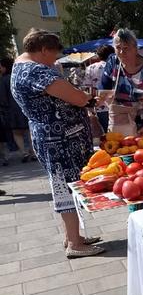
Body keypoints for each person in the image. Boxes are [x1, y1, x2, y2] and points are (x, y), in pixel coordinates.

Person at [10, 29, 104, 258]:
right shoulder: (35, 71)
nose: (55, 60)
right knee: (67, 187)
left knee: (65, 186)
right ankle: (75, 243)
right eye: (53, 54)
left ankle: (73, 236)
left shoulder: (19, 66)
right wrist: (89, 99)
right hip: (59, 140)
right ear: (43, 50)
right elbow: (76, 98)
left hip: (52, 136)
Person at [100, 29, 143, 136]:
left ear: (136, 49)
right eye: (118, 48)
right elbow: (104, 90)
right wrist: (115, 108)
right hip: (120, 124)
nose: (122, 52)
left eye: (126, 48)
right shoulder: (112, 62)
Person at [1, 56, 35, 164]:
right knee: (29, 130)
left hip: (12, 109)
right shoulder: (20, 76)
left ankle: (24, 152)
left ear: (5, 67)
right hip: (25, 105)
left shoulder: (3, 80)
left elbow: (3, 97)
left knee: (17, 133)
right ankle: (34, 152)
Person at [84, 44, 114, 132]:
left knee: (107, 134)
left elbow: (88, 89)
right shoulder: (116, 66)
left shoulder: (91, 68)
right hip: (117, 105)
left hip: (100, 106)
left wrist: (90, 107)